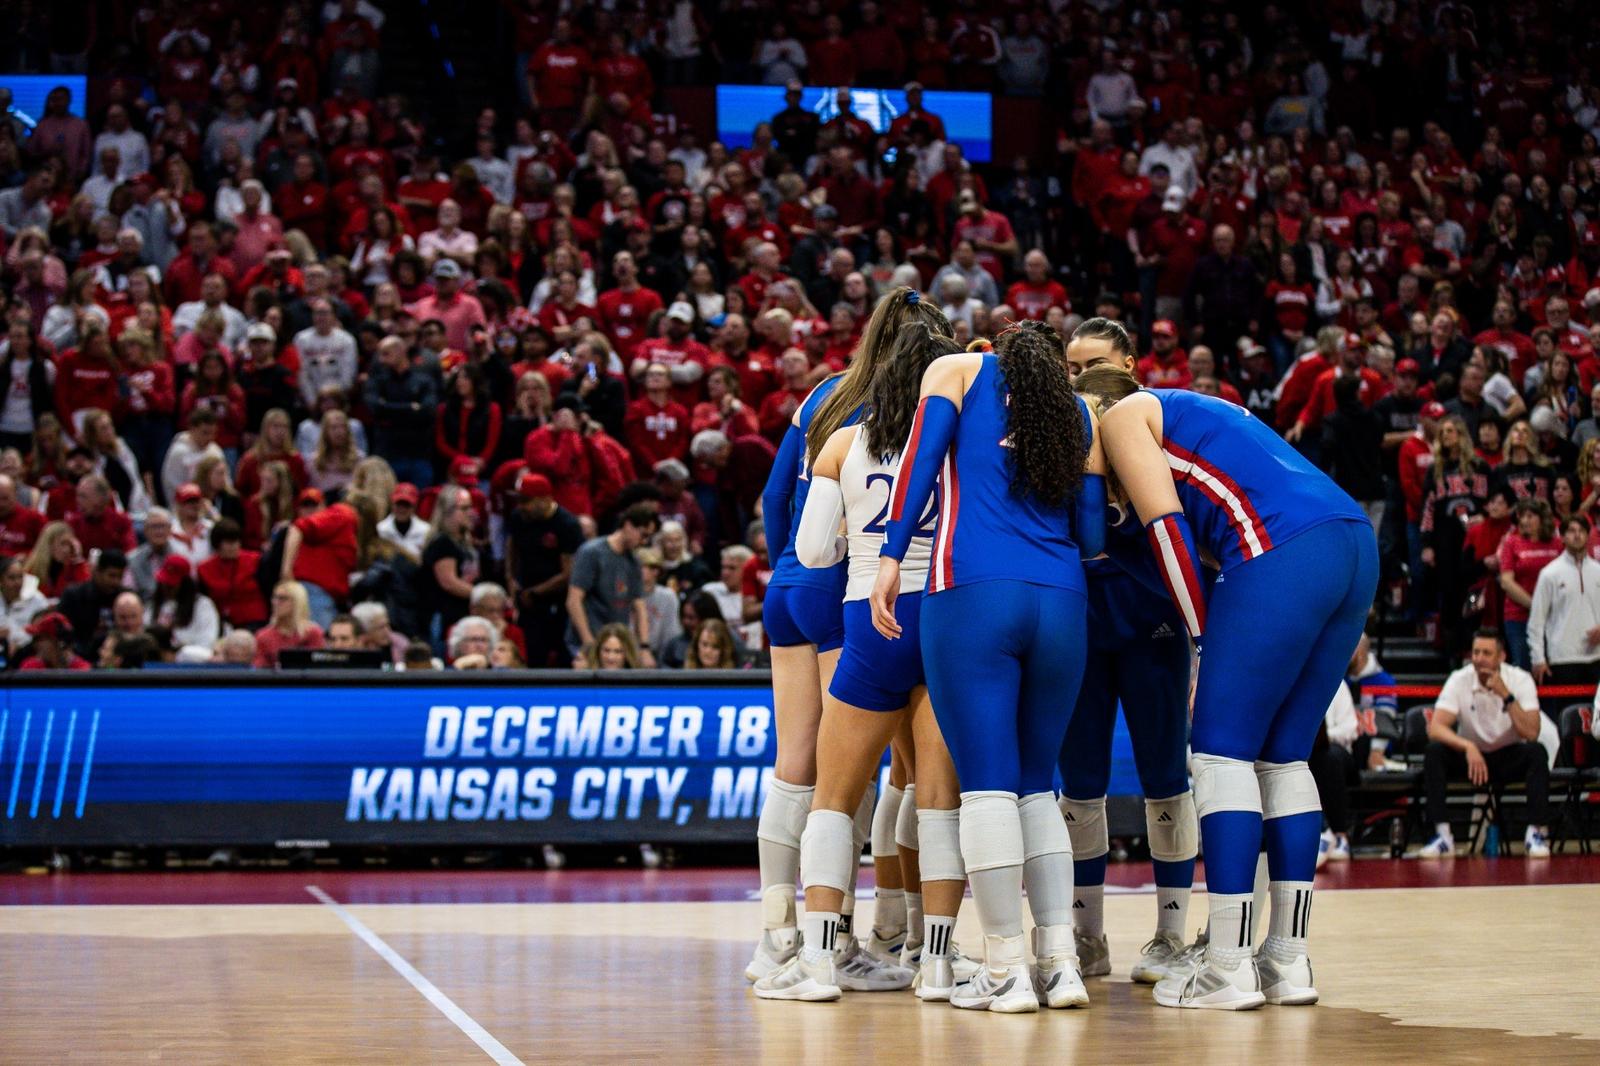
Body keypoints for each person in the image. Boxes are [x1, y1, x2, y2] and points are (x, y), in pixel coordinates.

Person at [1075, 362, 1376, 1010]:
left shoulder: (1127, 414)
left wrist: (1206, 645)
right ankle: (1286, 962)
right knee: (1283, 756)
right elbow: (1149, 553)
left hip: (1279, 547)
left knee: (1219, 754)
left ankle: (1226, 963)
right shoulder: (1192, 419)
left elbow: (1167, 532)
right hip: (1350, 541)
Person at [871, 321, 1107, 1013]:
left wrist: (890, 557)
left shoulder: (954, 370)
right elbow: (1091, 535)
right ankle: (1059, 963)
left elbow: (917, 465)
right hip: (1063, 599)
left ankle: (1004, 967)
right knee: (1038, 788)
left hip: (971, 591)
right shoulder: (1079, 409)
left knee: (988, 792)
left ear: (994, 349)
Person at [758, 312, 968, 1004]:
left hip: (867, 620)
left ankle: (814, 961)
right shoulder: (960, 446)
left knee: (832, 793)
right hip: (939, 617)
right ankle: (934, 963)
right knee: (937, 798)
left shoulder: (843, 436)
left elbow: (814, 549)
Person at [1059, 318, 1200, 984]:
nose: (1077, 378)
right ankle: (1088, 939)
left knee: (1166, 779)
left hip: (1154, 628)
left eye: (1091, 366)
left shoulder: (1158, 427)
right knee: (1079, 789)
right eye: (1069, 367)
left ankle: (1172, 935)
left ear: (1129, 366)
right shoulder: (1054, 436)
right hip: (1080, 631)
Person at [1419, 629, 1551, 859]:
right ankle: (1442, 836)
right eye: (1476, 652)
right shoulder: (1459, 679)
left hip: (1507, 755)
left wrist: (1506, 696)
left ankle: (1535, 833)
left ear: (1501, 657)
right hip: (1472, 758)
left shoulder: (1520, 679)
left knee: (1537, 752)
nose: (1479, 659)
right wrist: (1467, 747)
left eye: (1486, 653)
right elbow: (1436, 728)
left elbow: (1531, 732)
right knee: (1434, 752)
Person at [566, 504, 657, 662]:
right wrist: (589, 644)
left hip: (615, 644)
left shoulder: (634, 561)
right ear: (628, 525)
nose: (644, 541)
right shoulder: (592, 553)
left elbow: (639, 607)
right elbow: (574, 601)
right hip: (587, 641)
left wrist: (644, 647)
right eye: (643, 535)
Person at [1527, 515, 1600, 686]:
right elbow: (1536, 621)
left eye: (1582, 531)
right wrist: (1538, 658)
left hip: (1597, 657)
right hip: (1563, 658)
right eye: (1572, 531)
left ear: (1588, 536)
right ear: (1562, 537)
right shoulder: (1550, 574)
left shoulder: (1598, 571)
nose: (1577, 535)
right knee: (1566, 712)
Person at [1497, 499, 1561, 671]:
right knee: (1523, 666)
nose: (1524, 521)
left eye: (1530, 516)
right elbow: (1506, 581)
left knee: (1550, 669)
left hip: (1554, 617)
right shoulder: (1512, 542)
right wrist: (1536, 606)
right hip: (1519, 616)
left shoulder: (1557, 544)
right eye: (1521, 516)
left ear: (1542, 519)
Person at [419, 485, 481, 647]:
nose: (471, 513)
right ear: (447, 511)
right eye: (464, 508)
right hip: (444, 619)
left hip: (461, 615)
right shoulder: (442, 543)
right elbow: (449, 582)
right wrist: (484, 595)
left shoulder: (462, 541)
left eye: (470, 507)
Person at [253, 581, 326, 667]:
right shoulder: (264, 636)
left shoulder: (313, 633)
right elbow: (259, 671)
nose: (275, 603)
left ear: (297, 602)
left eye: (282, 598)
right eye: (274, 598)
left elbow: (319, 668)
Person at [16, 612, 91, 671]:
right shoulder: (32, 667)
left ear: (59, 643)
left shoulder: (82, 671)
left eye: (40, 639)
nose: (36, 645)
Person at [576, 622, 642, 669]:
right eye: (606, 650)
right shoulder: (585, 682)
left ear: (628, 653)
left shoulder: (640, 684)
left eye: (618, 651)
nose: (611, 657)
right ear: (598, 651)